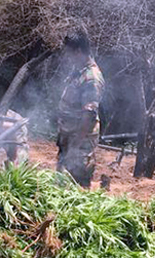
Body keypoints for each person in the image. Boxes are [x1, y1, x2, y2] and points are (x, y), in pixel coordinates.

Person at [56, 30, 104, 188]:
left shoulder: (91, 77)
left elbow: (89, 116)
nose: (67, 58)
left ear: (78, 52)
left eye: (69, 54)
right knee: (62, 186)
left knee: (77, 189)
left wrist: (74, 147)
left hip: (79, 145)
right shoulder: (78, 73)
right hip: (69, 140)